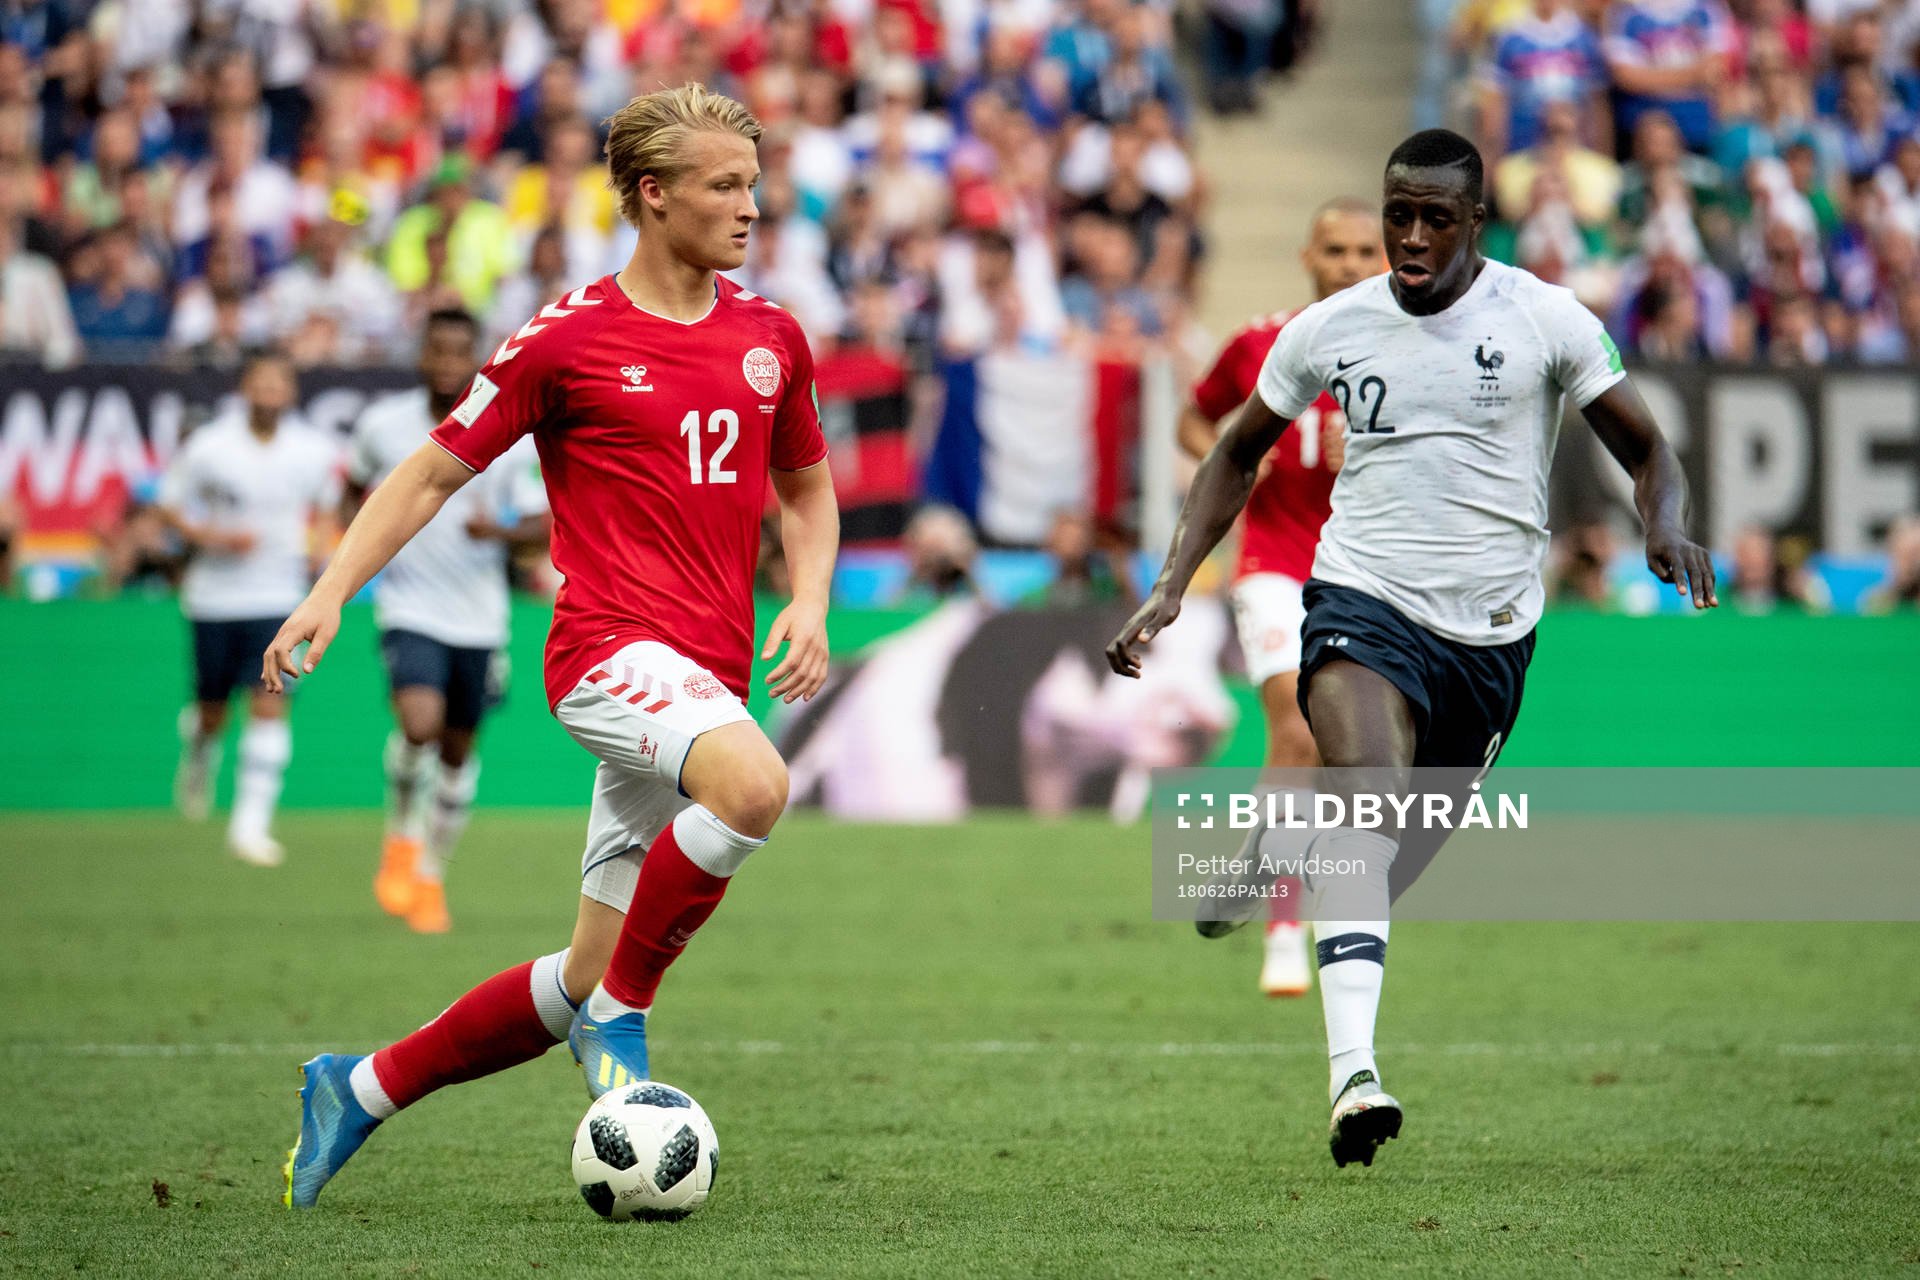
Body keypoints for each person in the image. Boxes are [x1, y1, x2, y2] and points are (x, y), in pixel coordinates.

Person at [264, 83, 838, 1209]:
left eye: (754, 185)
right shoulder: (569, 337)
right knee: (754, 788)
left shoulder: (772, 336)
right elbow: (431, 472)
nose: (750, 207)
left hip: (706, 677)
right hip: (606, 653)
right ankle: (626, 1014)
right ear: (651, 194)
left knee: (576, 974)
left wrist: (809, 600)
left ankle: (360, 1087)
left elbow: (808, 490)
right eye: (725, 186)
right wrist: (330, 590)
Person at [1107, 129, 1715, 1169]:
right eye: (1400, 216)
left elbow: (1648, 447)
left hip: (1491, 638)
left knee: (1382, 862)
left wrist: (1663, 524)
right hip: (1362, 599)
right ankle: (1355, 1078)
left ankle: (1280, 849)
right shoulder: (1330, 328)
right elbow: (1234, 452)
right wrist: (1169, 587)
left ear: (1476, 220)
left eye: (1437, 218)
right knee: (1367, 807)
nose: (1414, 237)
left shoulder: (1544, 318)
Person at [1175, 196, 1384, 999]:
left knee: (1343, 753)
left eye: (1364, 251)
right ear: (1307, 258)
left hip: (1368, 575)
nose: (1349, 266)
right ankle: (1284, 929)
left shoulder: (1410, 352)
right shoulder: (1261, 342)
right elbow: (1194, 421)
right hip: (1274, 562)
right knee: (1295, 727)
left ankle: (1273, 870)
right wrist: (1230, 459)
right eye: (1335, 250)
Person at [347, 307, 551, 935]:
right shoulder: (384, 427)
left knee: (458, 753)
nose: (446, 363)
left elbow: (546, 522)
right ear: (421, 355)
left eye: (459, 351)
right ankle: (401, 837)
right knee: (419, 725)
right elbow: (353, 490)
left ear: (477, 359)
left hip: (480, 618)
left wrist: (501, 533)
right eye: (436, 350)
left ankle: (431, 875)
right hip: (410, 606)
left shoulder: (508, 431)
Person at [158, 348, 340, 867]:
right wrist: (212, 538)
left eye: (278, 383)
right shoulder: (210, 446)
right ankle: (200, 751)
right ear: (245, 388)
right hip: (214, 599)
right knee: (212, 710)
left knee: (269, 702)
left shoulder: (312, 449)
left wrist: (321, 559)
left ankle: (250, 826)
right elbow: (169, 507)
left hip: (279, 599)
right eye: (260, 382)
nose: (269, 392)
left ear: (291, 391)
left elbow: (328, 510)